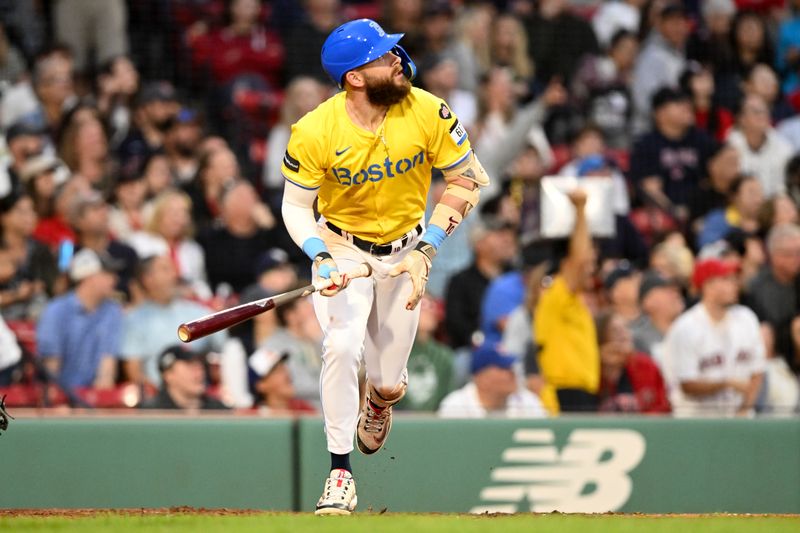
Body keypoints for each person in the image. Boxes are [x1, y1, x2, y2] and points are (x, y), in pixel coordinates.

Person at [279, 19, 490, 515]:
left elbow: (466, 180)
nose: (397, 59)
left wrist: (426, 249)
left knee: (389, 379)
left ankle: (379, 400)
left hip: (405, 251)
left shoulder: (427, 109)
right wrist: (321, 256)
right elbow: (294, 208)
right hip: (342, 246)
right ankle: (339, 473)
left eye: (392, 52)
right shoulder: (315, 130)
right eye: (382, 56)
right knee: (342, 343)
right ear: (355, 77)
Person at [663, 258, 766, 416]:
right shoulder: (686, 327)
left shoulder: (746, 318)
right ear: (707, 286)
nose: (734, 284)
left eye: (733, 279)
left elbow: (757, 371)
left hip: (740, 419)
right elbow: (687, 384)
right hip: (698, 422)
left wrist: (744, 409)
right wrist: (726, 383)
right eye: (726, 279)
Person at [534, 189, 599, 414]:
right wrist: (580, 209)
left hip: (583, 393)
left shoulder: (574, 303)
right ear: (565, 264)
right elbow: (581, 260)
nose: (591, 269)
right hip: (565, 395)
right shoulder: (555, 294)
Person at [121, 255, 226, 388]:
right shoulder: (134, 320)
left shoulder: (198, 312)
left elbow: (226, 350)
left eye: (173, 269)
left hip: (200, 396)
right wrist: (161, 399)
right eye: (165, 270)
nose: (174, 275)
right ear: (148, 279)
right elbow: (134, 371)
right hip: (158, 400)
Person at [36, 248, 123, 390]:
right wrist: (55, 403)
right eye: (108, 273)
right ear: (88, 276)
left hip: (92, 399)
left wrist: (99, 404)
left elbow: (107, 369)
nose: (114, 279)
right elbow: (51, 367)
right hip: (61, 396)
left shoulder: (112, 311)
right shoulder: (57, 311)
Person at [437, 342, 546, 418]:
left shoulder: (527, 401)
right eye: (504, 368)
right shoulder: (456, 406)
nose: (512, 373)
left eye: (511, 367)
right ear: (482, 378)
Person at [596, 311, 671, 414]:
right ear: (602, 337)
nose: (623, 333)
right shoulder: (592, 368)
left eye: (625, 327)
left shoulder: (647, 366)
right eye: (615, 330)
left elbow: (662, 408)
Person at [139, 344, 228, 411]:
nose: (199, 372)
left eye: (200, 366)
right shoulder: (150, 412)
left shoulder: (219, 411)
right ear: (169, 375)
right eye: (190, 366)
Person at [249, 347, 316, 414]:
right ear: (261, 385)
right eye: (278, 371)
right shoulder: (249, 418)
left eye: (284, 368)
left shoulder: (304, 410)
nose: (287, 374)